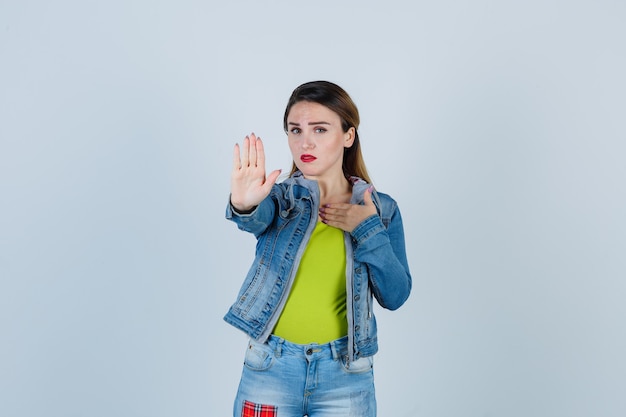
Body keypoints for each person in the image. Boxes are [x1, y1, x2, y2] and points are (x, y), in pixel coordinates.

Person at [224, 80, 412, 417]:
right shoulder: (280, 200)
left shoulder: (381, 210)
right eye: (295, 130)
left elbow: (395, 295)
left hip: (346, 373)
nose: (305, 141)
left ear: (348, 136)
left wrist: (366, 228)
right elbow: (255, 217)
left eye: (320, 129)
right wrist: (243, 204)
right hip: (271, 367)